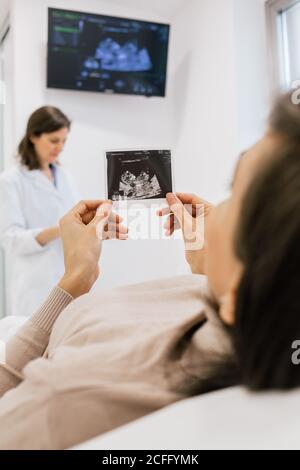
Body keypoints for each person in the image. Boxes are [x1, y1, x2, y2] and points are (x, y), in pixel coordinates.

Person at [0, 93, 299, 450]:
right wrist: (206, 269)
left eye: (234, 193)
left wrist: (73, 281)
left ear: (237, 295)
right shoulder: (253, 317)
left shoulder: (68, 397)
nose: (216, 208)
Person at [0, 106, 79, 317]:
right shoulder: (11, 181)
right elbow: (11, 239)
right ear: (33, 136)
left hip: (68, 279)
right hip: (34, 285)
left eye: (64, 141)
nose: (60, 147)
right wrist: (62, 228)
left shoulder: (65, 177)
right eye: (54, 140)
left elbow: (75, 223)